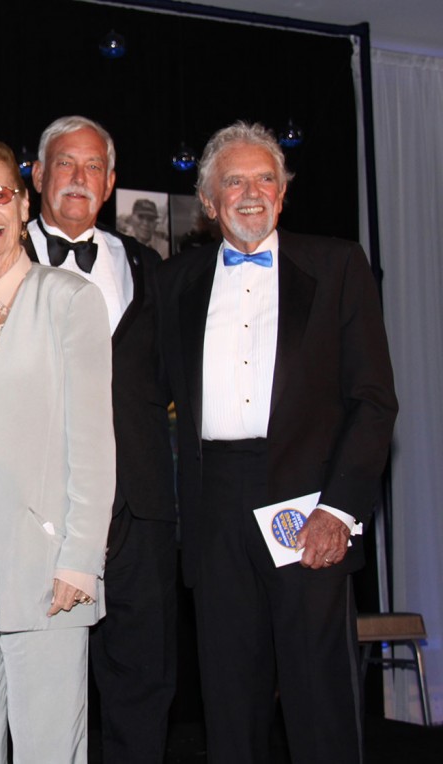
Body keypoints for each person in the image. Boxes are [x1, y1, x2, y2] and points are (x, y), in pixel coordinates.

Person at [0, 115, 177, 763]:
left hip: (44, 548)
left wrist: (79, 558)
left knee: (48, 745)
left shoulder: (69, 297)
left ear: (21, 199)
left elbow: (95, 440)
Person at [157, 121, 398, 764]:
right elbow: (138, 398)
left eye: (266, 178)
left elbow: (374, 402)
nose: (252, 193)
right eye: (234, 181)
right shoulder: (174, 282)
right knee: (230, 705)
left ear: (284, 194)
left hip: (308, 500)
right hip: (212, 507)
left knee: (320, 700)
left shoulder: (338, 264)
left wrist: (339, 509)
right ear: (209, 203)